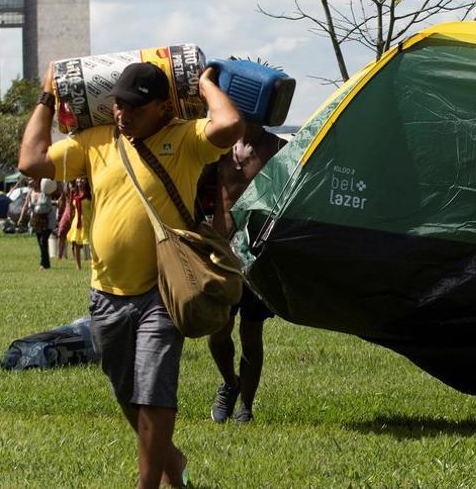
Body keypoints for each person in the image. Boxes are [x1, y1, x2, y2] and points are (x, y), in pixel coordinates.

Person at [19, 61, 243, 489]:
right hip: (106, 293)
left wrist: (205, 84)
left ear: (162, 107)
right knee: (127, 391)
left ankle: (147, 483)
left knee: (154, 388)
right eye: (119, 105)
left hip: (163, 290)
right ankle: (170, 462)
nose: (123, 114)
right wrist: (46, 98)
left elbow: (230, 125)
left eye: (135, 108)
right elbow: (31, 161)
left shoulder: (184, 138)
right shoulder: (95, 141)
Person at [197, 123, 286, 424]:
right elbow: (196, 189)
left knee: (251, 333)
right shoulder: (220, 147)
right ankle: (229, 383)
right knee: (217, 331)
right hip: (222, 254)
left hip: (257, 256)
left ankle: (246, 406)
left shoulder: (277, 149)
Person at [21, 178, 55, 269]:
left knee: (43, 241)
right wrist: (21, 218)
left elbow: (47, 206)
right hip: (36, 221)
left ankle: (43, 263)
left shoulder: (45, 191)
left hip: (46, 220)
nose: (30, 182)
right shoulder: (30, 192)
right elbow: (25, 205)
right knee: (40, 242)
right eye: (28, 180)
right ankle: (45, 263)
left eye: (32, 180)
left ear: (37, 180)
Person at [67, 178, 92, 270]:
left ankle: (93, 264)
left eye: (82, 179)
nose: (79, 181)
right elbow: (71, 206)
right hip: (77, 222)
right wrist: (70, 216)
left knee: (90, 244)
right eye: (78, 180)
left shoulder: (90, 193)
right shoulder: (74, 194)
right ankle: (78, 266)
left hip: (88, 220)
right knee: (76, 244)